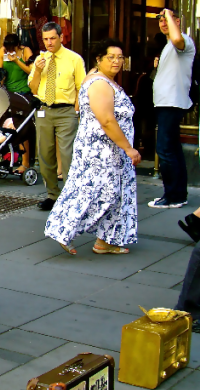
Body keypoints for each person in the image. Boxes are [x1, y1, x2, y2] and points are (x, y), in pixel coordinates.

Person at [45, 39, 140, 255]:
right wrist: (128, 148)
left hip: (108, 150)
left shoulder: (103, 80)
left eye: (120, 57)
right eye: (111, 57)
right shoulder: (99, 83)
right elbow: (106, 120)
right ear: (99, 59)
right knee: (98, 192)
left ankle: (106, 241)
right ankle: (63, 229)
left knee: (114, 194)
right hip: (102, 151)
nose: (117, 62)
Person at [28, 21, 86, 211]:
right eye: (45, 39)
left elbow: (81, 88)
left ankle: (71, 197)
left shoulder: (74, 59)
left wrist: (76, 111)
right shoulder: (40, 59)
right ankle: (53, 195)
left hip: (66, 111)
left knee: (68, 155)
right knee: (45, 155)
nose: (49, 43)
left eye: (53, 38)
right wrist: (37, 69)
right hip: (44, 110)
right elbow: (33, 88)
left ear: (61, 37)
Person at [148, 9, 196, 209]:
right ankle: (178, 194)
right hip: (165, 102)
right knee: (173, 150)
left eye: (167, 19)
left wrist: (168, 13)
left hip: (172, 102)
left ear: (177, 21)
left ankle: (172, 196)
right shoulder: (169, 45)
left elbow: (177, 38)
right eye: (160, 19)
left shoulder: (183, 39)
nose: (163, 22)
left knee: (165, 150)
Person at [0, 33, 33, 172]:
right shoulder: (3, 51)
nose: (9, 51)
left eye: (11, 48)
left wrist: (16, 61)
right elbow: (2, 73)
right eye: (7, 49)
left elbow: (31, 71)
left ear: (17, 46)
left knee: (21, 127)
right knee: (4, 125)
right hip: (8, 94)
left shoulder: (25, 51)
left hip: (23, 93)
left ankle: (25, 162)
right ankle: (5, 157)